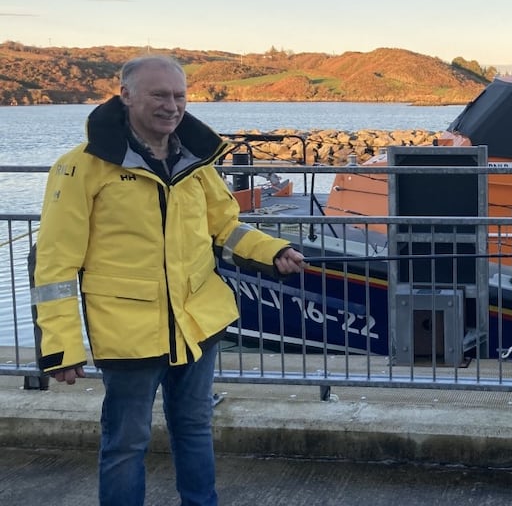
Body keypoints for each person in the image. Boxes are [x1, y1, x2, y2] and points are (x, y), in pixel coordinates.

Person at [31, 55, 306, 506]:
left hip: (198, 324)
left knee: (195, 428)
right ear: (126, 96)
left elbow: (226, 227)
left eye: (179, 96)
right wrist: (61, 346)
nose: (172, 106)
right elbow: (56, 265)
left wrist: (273, 251)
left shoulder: (196, 163)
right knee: (125, 444)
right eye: (159, 95)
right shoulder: (80, 167)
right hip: (128, 332)